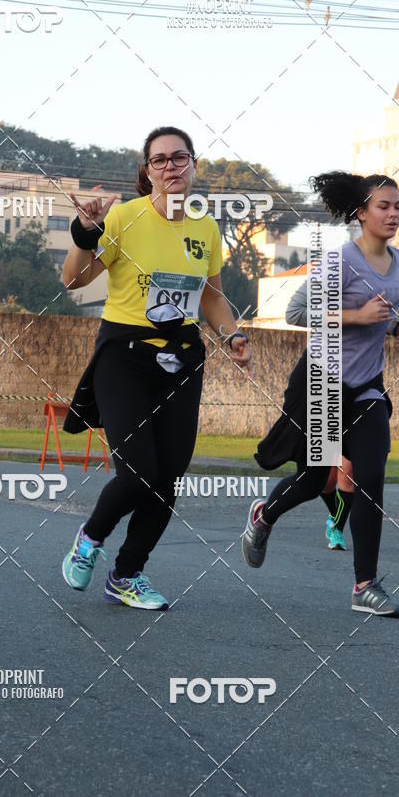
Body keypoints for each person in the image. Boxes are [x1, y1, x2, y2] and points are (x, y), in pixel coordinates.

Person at [60, 125, 252, 610]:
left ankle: (127, 575)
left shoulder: (205, 227)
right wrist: (85, 233)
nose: (170, 166)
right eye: (159, 159)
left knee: (168, 477)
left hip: (183, 357)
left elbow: (211, 296)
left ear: (194, 164)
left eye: (179, 157)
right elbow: (73, 279)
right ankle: (90, 538)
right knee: (138, 472)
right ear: (147, 171)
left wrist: (232, 334)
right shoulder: (124, 218)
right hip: (124, 355)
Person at [243, 171, 399, 616]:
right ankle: (264, 516)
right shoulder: (340, 261)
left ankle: (365, 586)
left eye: (397, 206)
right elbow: (296, 311)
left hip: (367, 387)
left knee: (370, 478)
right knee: (316, 478)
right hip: (322, 383)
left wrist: (396, 327)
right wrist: (357, 317)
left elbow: (383, 311)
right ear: (361, 213)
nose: (393, 214)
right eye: (383, 206)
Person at [320, 459, 354, 550]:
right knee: (325, 482)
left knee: (347, 474)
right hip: (327, 448)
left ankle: (337, 531)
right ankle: (334, 514)